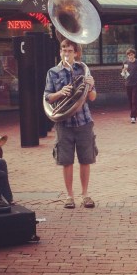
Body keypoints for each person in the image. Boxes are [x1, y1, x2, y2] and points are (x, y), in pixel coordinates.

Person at [44, 39, 98, 209]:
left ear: (76, 53)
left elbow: (92, 98)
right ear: (60, 52)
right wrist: (60, 92)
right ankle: (69, 196)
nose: (66, 53)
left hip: (84, 121)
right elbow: (47, 97)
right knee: (66, 161)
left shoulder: (83, 70)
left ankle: (85, 195)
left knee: (85, 160)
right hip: (64, 123)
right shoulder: (53, 72)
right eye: (63, 50)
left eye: (69, 51)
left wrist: (91, 86)